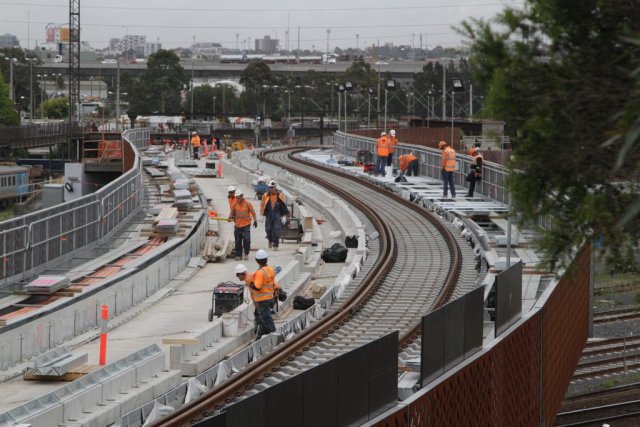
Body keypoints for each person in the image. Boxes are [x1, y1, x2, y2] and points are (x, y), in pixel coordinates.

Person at [249, 249, 278, 340]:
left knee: (266, 319)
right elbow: (274, 283)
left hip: (262, 300)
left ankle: (274, 335)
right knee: (262, 319)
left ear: (257, 261)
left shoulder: (260, 272)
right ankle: (259, 337)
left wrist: (251, 284)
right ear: (266, 259)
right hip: (270, 297)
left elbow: (258, 286)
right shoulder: (270, 270)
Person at [260, 180, 289, 250]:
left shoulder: (280, 195)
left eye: (271, 187)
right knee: (268, 229)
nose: (270, 189)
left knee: (276, 229)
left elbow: (283, 205)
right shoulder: (265, 195)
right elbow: (262, 205)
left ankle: (276, 244)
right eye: (269, 187)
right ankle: (270, 240)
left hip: (277, 214)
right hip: (268, 214)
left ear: (275, 187)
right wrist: (262, 214)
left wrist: (284, 215)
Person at [228, 190, 257, 261]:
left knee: (247, 239)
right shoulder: (234, 204)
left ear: (241, 196)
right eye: (236, 198)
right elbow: (232, 212)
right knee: (238, 240)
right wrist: (229, 218)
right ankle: (238, 255)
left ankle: (246, 253)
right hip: (237, 224)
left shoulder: (247, 204)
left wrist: (255, 220)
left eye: (238, 198)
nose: (237, 199)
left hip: (246, 224)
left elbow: (253, 212)